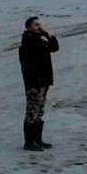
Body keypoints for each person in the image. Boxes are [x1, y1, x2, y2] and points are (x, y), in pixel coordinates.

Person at [19, 16, 60, 151]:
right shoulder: (27, 44)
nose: (39, 26)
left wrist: (47, 34)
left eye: (39, 24)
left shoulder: (41, 41)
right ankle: (29, 143)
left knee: (39, 111)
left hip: (44, 81)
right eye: (36, 24)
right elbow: (27, 67)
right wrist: (34, 83)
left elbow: (54, 47)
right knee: (32, 112)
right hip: (34, 84)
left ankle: (38, 140)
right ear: (29, 27)